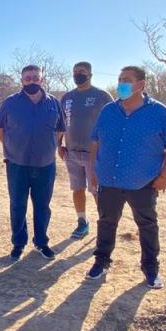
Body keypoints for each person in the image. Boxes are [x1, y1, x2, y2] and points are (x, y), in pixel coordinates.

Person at [85, 66, 166, 289]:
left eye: (127, 80)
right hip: (109, 179)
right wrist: (92, 172)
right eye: (120, 79)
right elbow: (95, 141)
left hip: (142, 182)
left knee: (147, 224)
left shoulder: (159, 112)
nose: (121, 84)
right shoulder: (108, 111)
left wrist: (165, 176)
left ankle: (150, 269)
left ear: (141, 84)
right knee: (106, 221)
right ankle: (101, 261)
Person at [0, 65, 65, 260]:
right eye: (27, 78)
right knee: (17, 205)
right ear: (22, 80)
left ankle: (41, 242)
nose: (31, 81)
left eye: (35, 78)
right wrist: (12, 146)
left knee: (43, 206)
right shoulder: (10, 102)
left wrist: (49, 147)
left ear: (42, 80)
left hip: (45, 164)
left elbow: (60, 130)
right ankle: (18, 243)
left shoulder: (53, 103)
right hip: (17, 163)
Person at [58, 61, 113, 239]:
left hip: (94, 154)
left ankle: (104, 226)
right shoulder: (67, 98)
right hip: (72, 152)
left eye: (81, 72)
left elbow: (112, 123)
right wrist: (59, 144)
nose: (77, 75)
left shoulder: (101, 96)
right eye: (75, 72)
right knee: (77, 189)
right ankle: (82, 222)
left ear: (90, 74)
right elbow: (61, 123)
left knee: (96, 190)